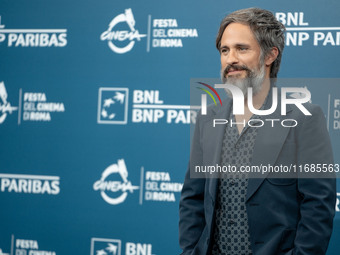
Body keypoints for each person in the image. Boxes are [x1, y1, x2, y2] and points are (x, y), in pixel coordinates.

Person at [179, 7, 336, 255]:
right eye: (224, 50)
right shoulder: (208, 119)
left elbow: (318, 206)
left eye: (242, 48)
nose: (231, 58)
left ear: (270, 55)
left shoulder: (304, 118)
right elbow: (193, 198)